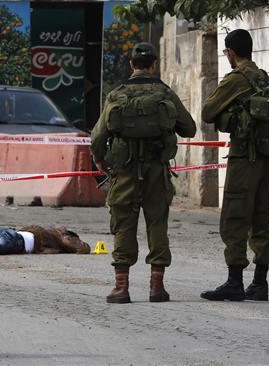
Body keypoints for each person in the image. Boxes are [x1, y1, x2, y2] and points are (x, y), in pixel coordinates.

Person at [91, 42, 197, 304]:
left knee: (123, 224)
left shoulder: (117, 94)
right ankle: (156, 287)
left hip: (124, 171)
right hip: (156, 171)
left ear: (131, 65)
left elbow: (97, 136)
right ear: (154, 64)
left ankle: (121, 288)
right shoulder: (165, 93)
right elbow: (190, 129)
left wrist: (100, 160)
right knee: (157, 222)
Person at [200, 29, 269, 302]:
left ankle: (235, 281)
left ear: (230, 52)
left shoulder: (236, 79)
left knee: (234, 217)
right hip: (266, 160)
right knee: (260, 216)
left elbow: (208, 112)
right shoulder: (263, 78)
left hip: (244, 158)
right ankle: (260, 282)